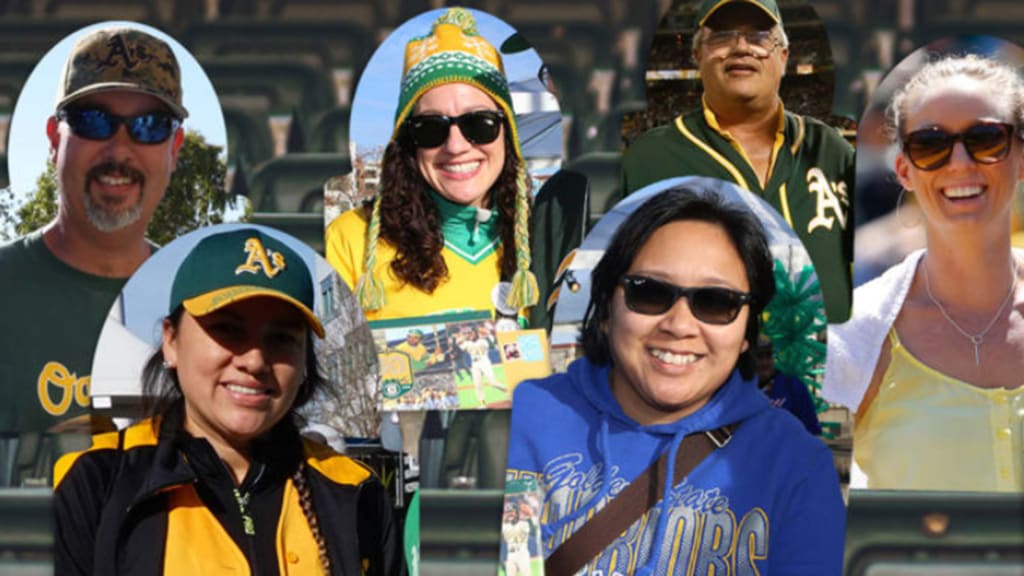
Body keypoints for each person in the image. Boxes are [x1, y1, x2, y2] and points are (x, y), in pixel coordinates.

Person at [506, 186, 844, 575]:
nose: (680, 325)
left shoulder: (797, 466)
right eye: (649, 293)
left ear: (747, 331)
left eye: (717, 302)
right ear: (605, 309)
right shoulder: (520, 416)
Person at [53, 228, 404, 575]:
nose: (254, 361)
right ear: (171, 341)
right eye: (227, 329)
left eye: (281, 338)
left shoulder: (355, 492)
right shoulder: (93, 483)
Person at [825, 54, 1024, 492]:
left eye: (986, 138)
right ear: (905, 171)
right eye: (930, 145)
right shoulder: (855, 336)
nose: (959, 162)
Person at [0, 26, 186, 484]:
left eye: (149, 126)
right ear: (53, 139)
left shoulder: (203, 302)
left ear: (174, 150)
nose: (119, 149)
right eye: (93, 120)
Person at [619, 0, 854, 323]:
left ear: (783, 58)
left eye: (758, 37)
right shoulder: (651, 159)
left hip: (834, 363)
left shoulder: (831, 149)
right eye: (722, 37)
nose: (741, 47)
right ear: (697, 56)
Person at [325, 7, 538, 322]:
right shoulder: (349, 240)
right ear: (408, 142)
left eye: (480, 124)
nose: (455, 146)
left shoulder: (543, 239)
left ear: (508, 134)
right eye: (431, 128)